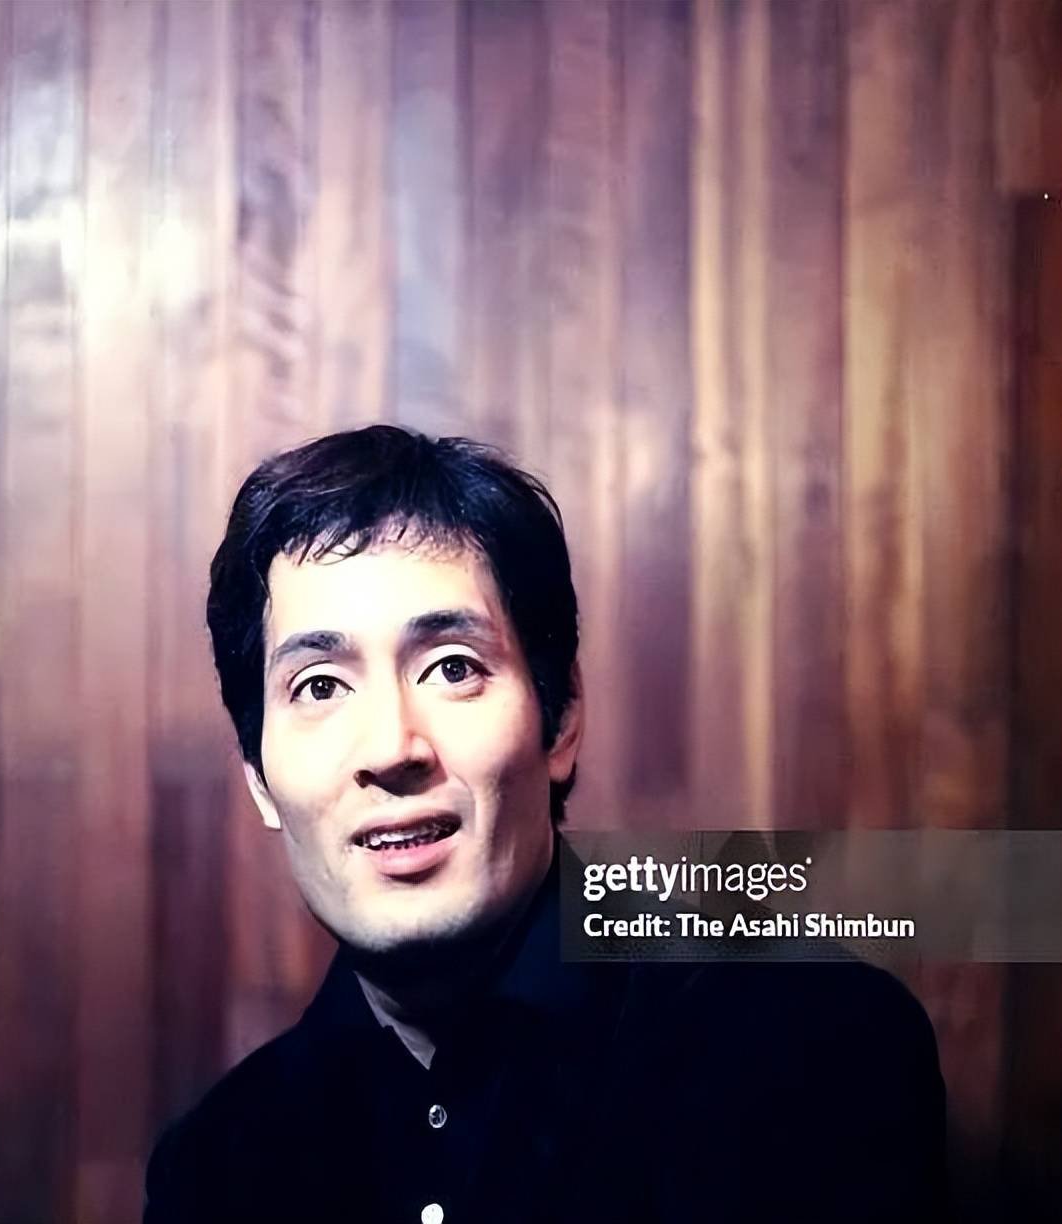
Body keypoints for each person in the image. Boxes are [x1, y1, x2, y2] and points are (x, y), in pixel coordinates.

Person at [144, 425, 948, 1224]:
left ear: (559, 720)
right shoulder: (212, 1174)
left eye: (452, 668)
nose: (392, 748)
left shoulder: (811, 1045)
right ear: (258, 778)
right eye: (319, 686)